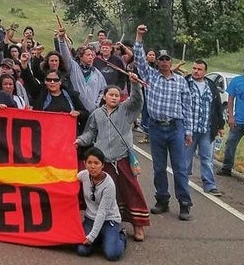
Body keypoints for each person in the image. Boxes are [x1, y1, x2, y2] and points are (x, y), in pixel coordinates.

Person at [75, 76, 149, 241]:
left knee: (132, 190)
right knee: (105, 193)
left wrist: (135, 84)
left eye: (117, 95)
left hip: (122, 157)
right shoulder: (96, 114)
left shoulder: (126, 110)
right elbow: (90, 133)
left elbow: (137, 101)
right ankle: (107, 223)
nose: (114, 97)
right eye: (111, 95)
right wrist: (80, 140)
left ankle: (139, 225)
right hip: (104, 161)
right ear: (104, 96)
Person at [133, 25, 193, 221]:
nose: (165, 62)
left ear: (171, 62)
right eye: (161, 59)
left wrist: (188, 131)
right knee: (159, 167)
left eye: (168, 59)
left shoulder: (180, 81)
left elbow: (187, 107)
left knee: (180, 168)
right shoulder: (150, 76)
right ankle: (162, 200)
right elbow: (139, 59)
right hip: (156, 128)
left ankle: (184, 203)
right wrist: (139, 37)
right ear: (157, 61)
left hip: (176, 128)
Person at [76, 147, 127, 261]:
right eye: (89, 162)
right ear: (84, 163)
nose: (92, 166)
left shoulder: (109, 185)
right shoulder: (83, 175)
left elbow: (102, 213)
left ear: (103, 165)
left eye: (96, 163)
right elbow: (69, 181)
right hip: (90, 219)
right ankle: (100, 238)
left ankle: (122, 236)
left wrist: (92, 236)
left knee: (112, 254)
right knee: (82, 250)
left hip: (109, 220)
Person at [184, 60, 225, 195]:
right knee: (185, 158)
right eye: (194, 68)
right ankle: (182, 182)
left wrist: (220, 126)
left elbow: (218, 106)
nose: (196, 71)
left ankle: (209, 185)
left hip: (207, 129)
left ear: (205, 72)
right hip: (189, 129)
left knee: (207, 158)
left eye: (199, 69)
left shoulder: (211, 86)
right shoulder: (185, 83)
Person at [58, 29, 107, 113]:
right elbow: (66, 57)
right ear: (80, 56)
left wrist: (97, 104)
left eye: (92, 55)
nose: (91, 57)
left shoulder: (97, 74)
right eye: (88, 55)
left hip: (92, 112)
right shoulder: (73, 68)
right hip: (74, 111)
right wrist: (62, 41)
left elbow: (103, 90)